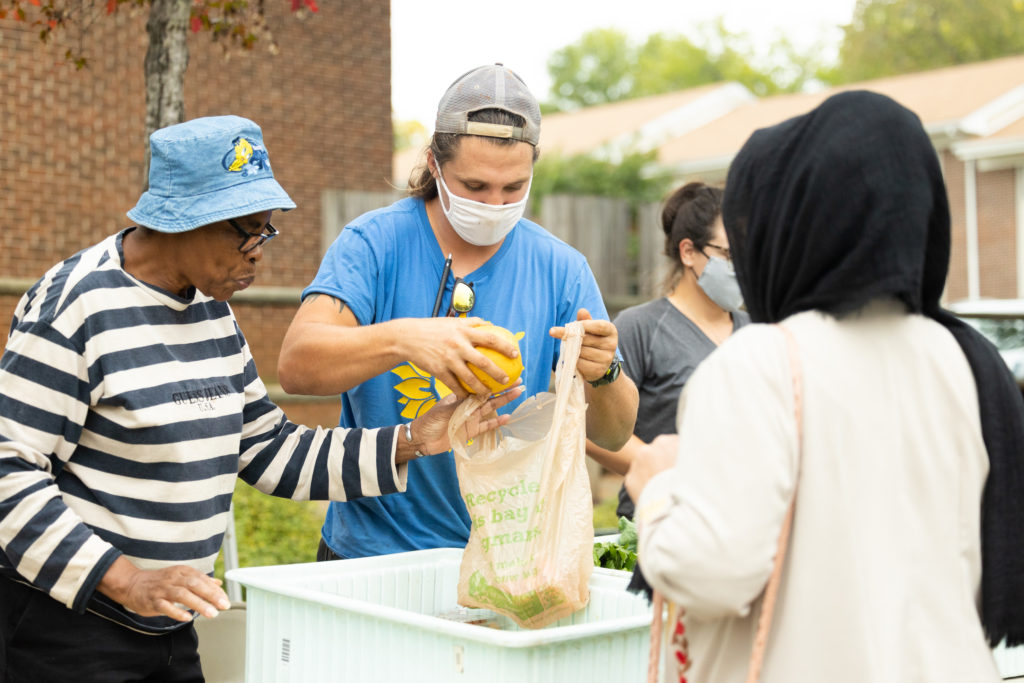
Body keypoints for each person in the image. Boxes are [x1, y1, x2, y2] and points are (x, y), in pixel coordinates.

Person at [0, 115, 520, 683]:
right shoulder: (77, 306)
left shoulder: (209, 310)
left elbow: (269, 450)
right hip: (71, 629)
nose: (258, 254)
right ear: (184, 221)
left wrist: (412, 441)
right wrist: (127, 579)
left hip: (169, 622)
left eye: (266, 231)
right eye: (249, 230)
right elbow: (8, 471)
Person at [625, 90, 1024, 682]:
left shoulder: (761, 361)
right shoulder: (965, 359)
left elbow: (710, 573)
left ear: (787, 229)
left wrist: (659, 488)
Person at [277, 63, 639, 561]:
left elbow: (615, 433)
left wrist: (605, 372)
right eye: (474, 186)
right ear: (433, 163)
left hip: (505, 562)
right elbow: (297, 365)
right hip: (372, 556)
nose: (495, 204)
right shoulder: (373, 244)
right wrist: (407, 338)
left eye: (514, 188)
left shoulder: (561, 268)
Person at [585, 181, 749, 521]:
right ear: (688, 252)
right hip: (660, 519)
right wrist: (669, 471)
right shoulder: (640, 328)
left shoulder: (758, 330)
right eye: (730, 255)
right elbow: (592, 432)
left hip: (739, 523)